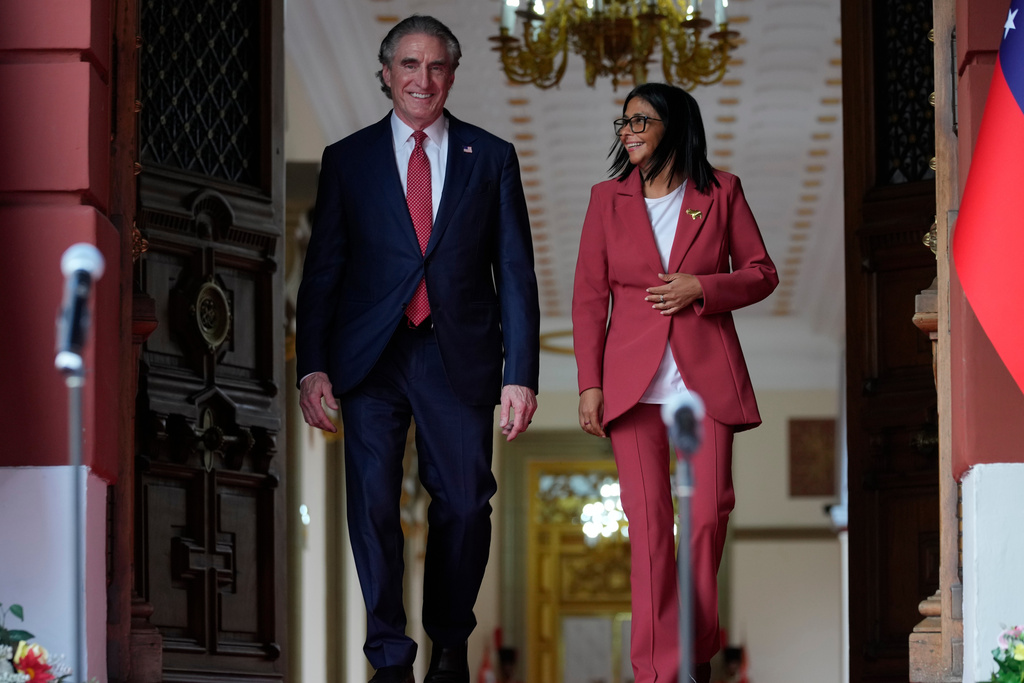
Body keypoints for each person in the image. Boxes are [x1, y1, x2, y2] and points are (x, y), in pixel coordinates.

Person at [295, 15, 540, 683]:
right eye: (409, 65)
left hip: (455, 352)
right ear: (386, 73)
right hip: (371, 355)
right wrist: (311, 363)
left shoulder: (489, 157)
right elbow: (324, 269)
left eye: (435, 67)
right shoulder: (348, 159)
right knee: (373, 503)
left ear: (452, 76)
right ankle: (389, 656)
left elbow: (514, 271)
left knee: (465, 502)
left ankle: (450, 640)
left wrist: (521, 372)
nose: (421, 79)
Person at [572, 82, 777, 683]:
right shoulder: (605, 200)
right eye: (624, 122)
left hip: (704, 378)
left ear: (676, 126)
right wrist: (590, 383)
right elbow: (589, 298)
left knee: (709, 514)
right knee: (650, 526)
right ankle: (658, 672)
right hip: (631, 384)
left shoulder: (721, 192)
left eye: (641, 120)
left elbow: (762, 272)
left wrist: (704, 288)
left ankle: (695, 650)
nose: (628, 131)